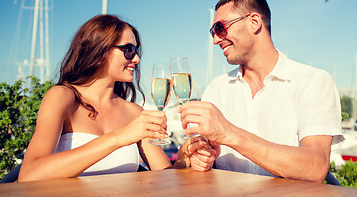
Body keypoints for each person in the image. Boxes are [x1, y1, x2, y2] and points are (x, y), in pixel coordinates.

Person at [18, 14, 216, 182]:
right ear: (99, 49)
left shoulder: (134, 113)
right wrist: (119, 137)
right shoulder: (63, 97)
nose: (136, 59)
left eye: (136, 51)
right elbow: (29, 174)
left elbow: (165, 178)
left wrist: (183, 158)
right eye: (128, 50)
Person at [179, 0, 343, 183]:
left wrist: (228, 133)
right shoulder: (216, 89)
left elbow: (315, 167)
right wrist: (201, 158)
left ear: (254, 22)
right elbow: (204, 155)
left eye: (220, 28)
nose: (215, 39)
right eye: (213, 32)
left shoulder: (313, 81)